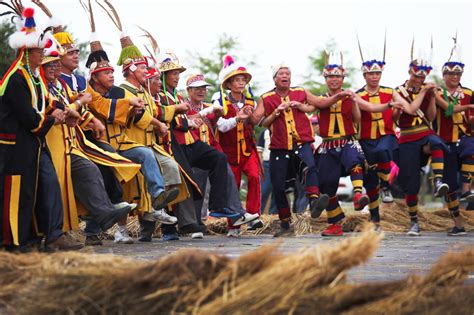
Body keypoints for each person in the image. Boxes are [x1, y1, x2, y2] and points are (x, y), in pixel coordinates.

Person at [251, 63, 349, 236]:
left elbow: (321, 102)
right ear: (275, 78)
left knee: (310, 168)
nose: (285, 76)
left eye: (288, 73)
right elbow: (258, 121)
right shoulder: (266, 98)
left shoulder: (301, 92)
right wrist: (274, 112)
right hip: (279, 147)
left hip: (301, 143)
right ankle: (285, 225)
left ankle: (314, 202)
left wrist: (339, 96)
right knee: (278, 186)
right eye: (281, 73)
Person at [394, 50, 450, 236]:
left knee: (437, 143)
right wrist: (424, 91)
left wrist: (432, 97)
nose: (419, 79)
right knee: (411, 185)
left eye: (422, 76)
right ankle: (414, 222)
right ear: (410, 72)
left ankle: (438, 180)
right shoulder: (398, 91)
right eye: (416, 76)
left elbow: (431, 117)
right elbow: (410, 110)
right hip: (408, 137)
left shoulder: (427, 90)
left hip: (425, 132)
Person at [433, 38, 474, 236]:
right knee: (449, 185)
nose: (455, 76)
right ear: (444, 75)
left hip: (465, 137)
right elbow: (447, 110)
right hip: (445, 140)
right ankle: (457, 221)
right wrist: (465, 107)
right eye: (451, 73)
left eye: (458, 73)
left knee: (471, 149)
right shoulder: (437, 92)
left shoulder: (469, 92)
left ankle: (467, 188)